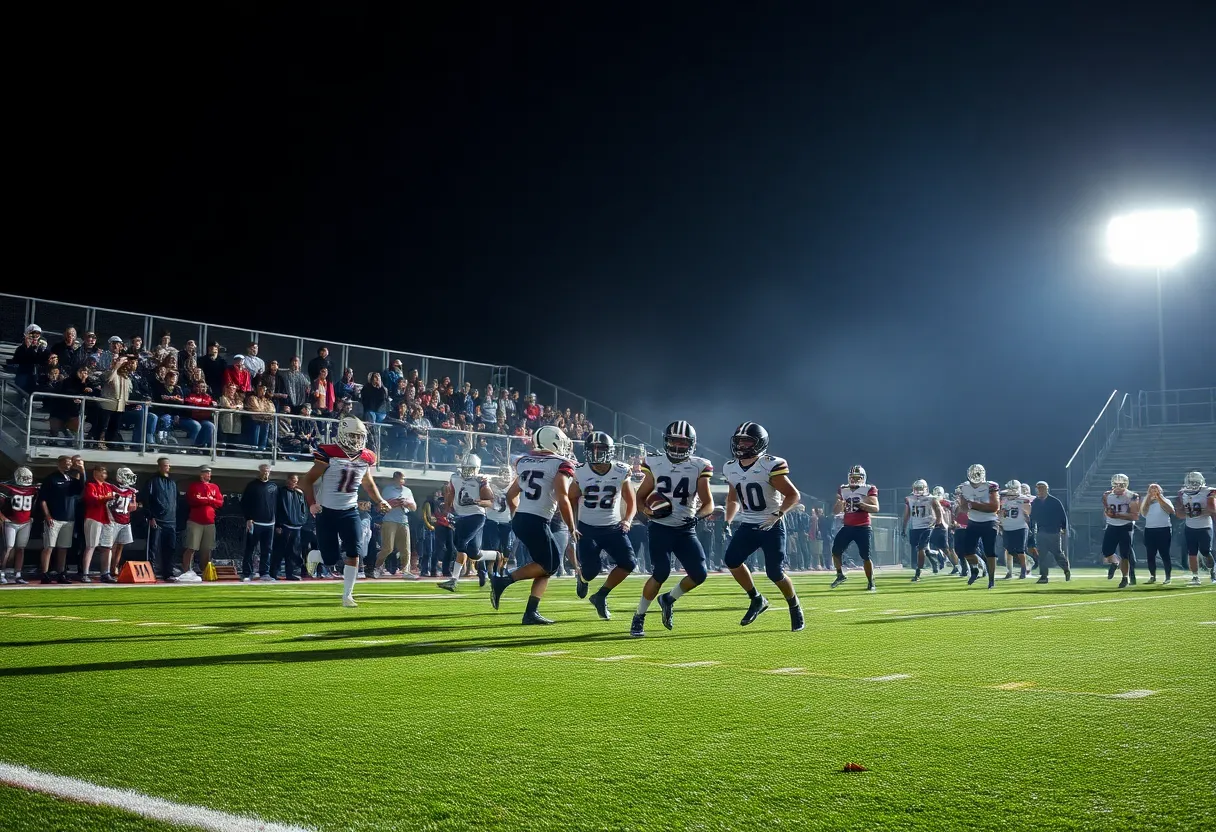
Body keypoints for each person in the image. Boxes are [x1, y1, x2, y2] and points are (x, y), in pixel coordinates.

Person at [629, 421, 715, 637]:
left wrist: (697, 517)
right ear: (666, 442)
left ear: (691, 444)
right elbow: (640, 497)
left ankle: (668, 599)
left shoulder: (699, 465)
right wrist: (646, 512)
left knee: (700, 574)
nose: (677, 446)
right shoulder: (655, 462)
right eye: (674, 441)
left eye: (683, 442)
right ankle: (639, 616)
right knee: (661, 572)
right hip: (660, 527)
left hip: (685, 528)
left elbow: (709, 503)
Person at [488, 426, 578, 624]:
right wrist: (572, 527)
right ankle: (503, 580)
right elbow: (563, 498)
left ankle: (531, 612)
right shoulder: (560, 464)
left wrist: (516, 514)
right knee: (550, 564)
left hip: (523, 519)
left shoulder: (525, 462)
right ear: (553, 442)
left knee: (547, 567)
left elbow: (511, 494)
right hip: (537, 520)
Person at [720, 422, 804, 630]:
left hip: (771, 525)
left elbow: (793, 495)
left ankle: (794, 606)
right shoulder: (730, 467)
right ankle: (756, 598)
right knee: (732, 560)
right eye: (739, 441)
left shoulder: (769, 464)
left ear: (759, 443)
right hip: (748, 523)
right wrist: (728, 520)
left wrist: (779, 513)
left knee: (775, 573)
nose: (741, 445)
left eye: (747, 441)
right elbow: (733, 499)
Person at [302, 416, 391, 607]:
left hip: (350, 510)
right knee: (331, 559)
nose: (356, 440)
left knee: (354, 552)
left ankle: (347, 595)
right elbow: (307, 481)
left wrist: (380, 500)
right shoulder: (329, 453)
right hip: (326, 511)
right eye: (352, 435)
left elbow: (368, 483)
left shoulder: (366, 457)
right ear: (342, 434)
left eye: (359, 436)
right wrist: (311, 504)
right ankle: (316, 555)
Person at [568, 432, 637, 619]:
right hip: (587, 528)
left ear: (610, 451)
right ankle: (582, 577)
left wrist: (627, 520)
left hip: (613, 527)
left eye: (601, 449)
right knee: (591, 571)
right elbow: (571, 498)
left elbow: (631, 501)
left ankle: (601, 596)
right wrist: (573, 525)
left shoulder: (621, 470)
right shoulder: (580, 471)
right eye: (593, 449)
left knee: (629, 563)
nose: (596, 452)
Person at [438, 453, 494, 591]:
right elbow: (451, 493)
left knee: (461, 544)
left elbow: (490, 502)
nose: (467, 471)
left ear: (477, 468)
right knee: (473, 552)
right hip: (460, 516)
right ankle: (495, 555)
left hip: (476, 516)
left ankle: (454, 580)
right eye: (465, 468)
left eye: (470, 468)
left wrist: (478, 501)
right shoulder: (455, 477)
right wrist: (447, 508)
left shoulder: (481, 481)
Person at [831, 465, 879, 592]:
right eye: (852, 477)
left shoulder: (869, 489)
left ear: (863, 478)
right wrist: (839, 504)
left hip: (863, 527)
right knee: (835, 551)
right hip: (848, 526)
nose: (855, 480)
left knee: (865, 556)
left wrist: (862, 505)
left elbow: (876, 508)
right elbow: (835, 511)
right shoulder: (843, 489)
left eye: (858, 478)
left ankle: (871, 581)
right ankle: (840, 575)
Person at [39, 455, 84, 583]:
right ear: (59, 463)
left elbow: (82, 487)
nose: (68, 465)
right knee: (49, 546)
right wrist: (47, 515)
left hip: (68, 518)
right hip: (54, 518)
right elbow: (42, 499)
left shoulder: (71, 479)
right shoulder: (51, 478)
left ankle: (61, 573)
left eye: (70, 463)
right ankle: (44, 573)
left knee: (63, 548)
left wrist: (82, 470)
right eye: (66, 463)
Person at [955, 464, 1001, 588]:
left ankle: (991, 580)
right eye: (973, 474)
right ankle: (975, 569)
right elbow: (964, 508)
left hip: (990, 521)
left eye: (977, 474)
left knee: (990, 552)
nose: (975, 476)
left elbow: (994, 507)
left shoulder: (990, 486)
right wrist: (971, 506)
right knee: (966, 551)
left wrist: (973, 505)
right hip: (973, 522)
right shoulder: (964, 487)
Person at [139, 458, 179, 581]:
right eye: (165, 465)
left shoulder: (172, 483)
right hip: (157, 520)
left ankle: (168, 573)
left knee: (170, 548)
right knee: (153, 548)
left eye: (168, 465)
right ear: (160, 466)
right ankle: (150, 572)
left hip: (171, 521)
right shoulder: (152, 481)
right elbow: (145, 500)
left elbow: (175, 502)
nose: (167, 467)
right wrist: (150, 517)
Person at [181, 467, 223, 582]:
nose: (209, 475)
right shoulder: (194, 486)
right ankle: (186, 571)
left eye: (210, 473)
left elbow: (220, 502)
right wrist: (210, 500)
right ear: (201, 475)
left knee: (207, 549)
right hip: (195, 521)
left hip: (210, 522)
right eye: (206, 473)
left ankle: (204, 571)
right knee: (191, 547)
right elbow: (193, 500)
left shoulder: (215, 487)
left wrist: (207, 499)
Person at [0, 467, 39, 584]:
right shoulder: (7, 488)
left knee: (21, 548)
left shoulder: (33, 489)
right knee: (8, 548)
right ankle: (2, 572)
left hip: (25, 522)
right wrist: (2, 517)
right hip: (11, 522)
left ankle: (18, 574)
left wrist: (32, 516)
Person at [1177, 471, 1215, 586]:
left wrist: (1205, 509)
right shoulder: (1182, 493)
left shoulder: (1208, 491)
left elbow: (1213, 509)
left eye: (1195, 482)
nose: (1193, 484)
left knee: (1205, 551)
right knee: (1191, 553)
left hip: (1205, 526)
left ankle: (1213, 570)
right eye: (1191, 482)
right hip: (1190, 527)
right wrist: (1183, 511)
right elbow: (1180, 514)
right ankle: (1195, 577)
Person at [1101, 474, 1140, 589]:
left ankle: (1125, 578)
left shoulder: (1132, 496)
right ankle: (1115, 562)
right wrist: (1109, 515)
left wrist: (1117, 515)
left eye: (1121, 485)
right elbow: (1107, 510)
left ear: (1125, 485)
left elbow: (1134, 516)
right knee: (1106, 552)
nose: (1118, 487)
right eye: (1116, 485)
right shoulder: (1107, 495)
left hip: (1125, 527)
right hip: (1111, 526)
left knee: (1125, 554)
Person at [79, 465, 116, 582]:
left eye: (105, 472)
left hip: (107, 519)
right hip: (94, 518)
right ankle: (85, 573)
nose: (104, 474)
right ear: (95, 473)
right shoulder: (91, 485)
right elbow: (92, 499)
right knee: (91, 546)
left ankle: (105, 573)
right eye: (101, 472)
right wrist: (106, 498)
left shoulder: (108, 486)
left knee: (107, 547)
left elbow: (112, 498)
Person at [903, 479, 945, 582]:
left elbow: (939, 511)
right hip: (915, 527)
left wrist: (938, 524)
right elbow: (907, 514)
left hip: (927, 526)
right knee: (922, 549)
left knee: (920, 548)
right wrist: (904, 527)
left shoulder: (931, 498)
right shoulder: (909, 499)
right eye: (917, 488)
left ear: (925, 488)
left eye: (920, 488)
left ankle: (918, 572)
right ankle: (934, 555)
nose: (918, 490)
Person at [242, 463, 278, 581]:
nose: (265, 473)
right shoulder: (252, 486)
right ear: (259, 471)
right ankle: (247, 573)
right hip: (255, 523)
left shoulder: (274, 486)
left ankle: (265, 573)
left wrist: (277, 522)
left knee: (267, 550)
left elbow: (277, 505)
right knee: (250, 549)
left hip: (270, 524)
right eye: (263, 471)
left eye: (267, 471)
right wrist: (248, 518)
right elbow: (244, 503)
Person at [1030, 481, 1071, 583]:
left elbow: (1062, 515)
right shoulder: (1035, 502)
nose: (1040, 491)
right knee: (1042, 555)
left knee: (1057, 553)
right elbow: (1032, 517)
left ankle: (1066, 569)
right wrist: (1032, 528)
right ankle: (1044, 576)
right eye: (1038, 489)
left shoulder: (1055, 501)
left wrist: (1064, 527)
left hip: (1054, 532)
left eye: (1042, 488)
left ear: (1046, 489)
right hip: (1041, 531)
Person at [378, 471, 416, 578]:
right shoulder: (387, 490)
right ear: (395, 478)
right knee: (388, 548)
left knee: (406, 549)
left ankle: (405, 571)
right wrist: (393, 503)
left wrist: (407, 503)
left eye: (403, 478)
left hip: (403, 520)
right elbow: (381, 506)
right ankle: (377, 566)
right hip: (389, 520)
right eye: (400, 478)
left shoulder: (408, 491)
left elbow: (414, 507)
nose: (402, 480)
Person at [1140, 483, 1175, 585]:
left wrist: (1159, 498)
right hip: (1150, 530)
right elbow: (1144, 513)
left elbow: (1171, 510)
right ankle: (1152, 576)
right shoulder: (1146, 502)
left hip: (1163, 529)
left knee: (1165, 554)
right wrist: (1148, 499)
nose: (1154, 490)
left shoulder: (1166, 500)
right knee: (1150, 554)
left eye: (1156, 489)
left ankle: (1168, 577)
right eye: (1151, 489)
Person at [998, 479, 1032, 580]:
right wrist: (1000, 522)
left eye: (1013, 489)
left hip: (1020, 527)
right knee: (1009, 550)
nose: (1010, 491)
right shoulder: (1003, 498)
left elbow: (1028, 512)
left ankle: (1023, 570)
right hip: (1007, 527)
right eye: (1009, 489)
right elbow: (1000, 512)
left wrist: (1022, 505)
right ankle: (1010, 571)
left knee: (1020, 550)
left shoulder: (1023, 499)